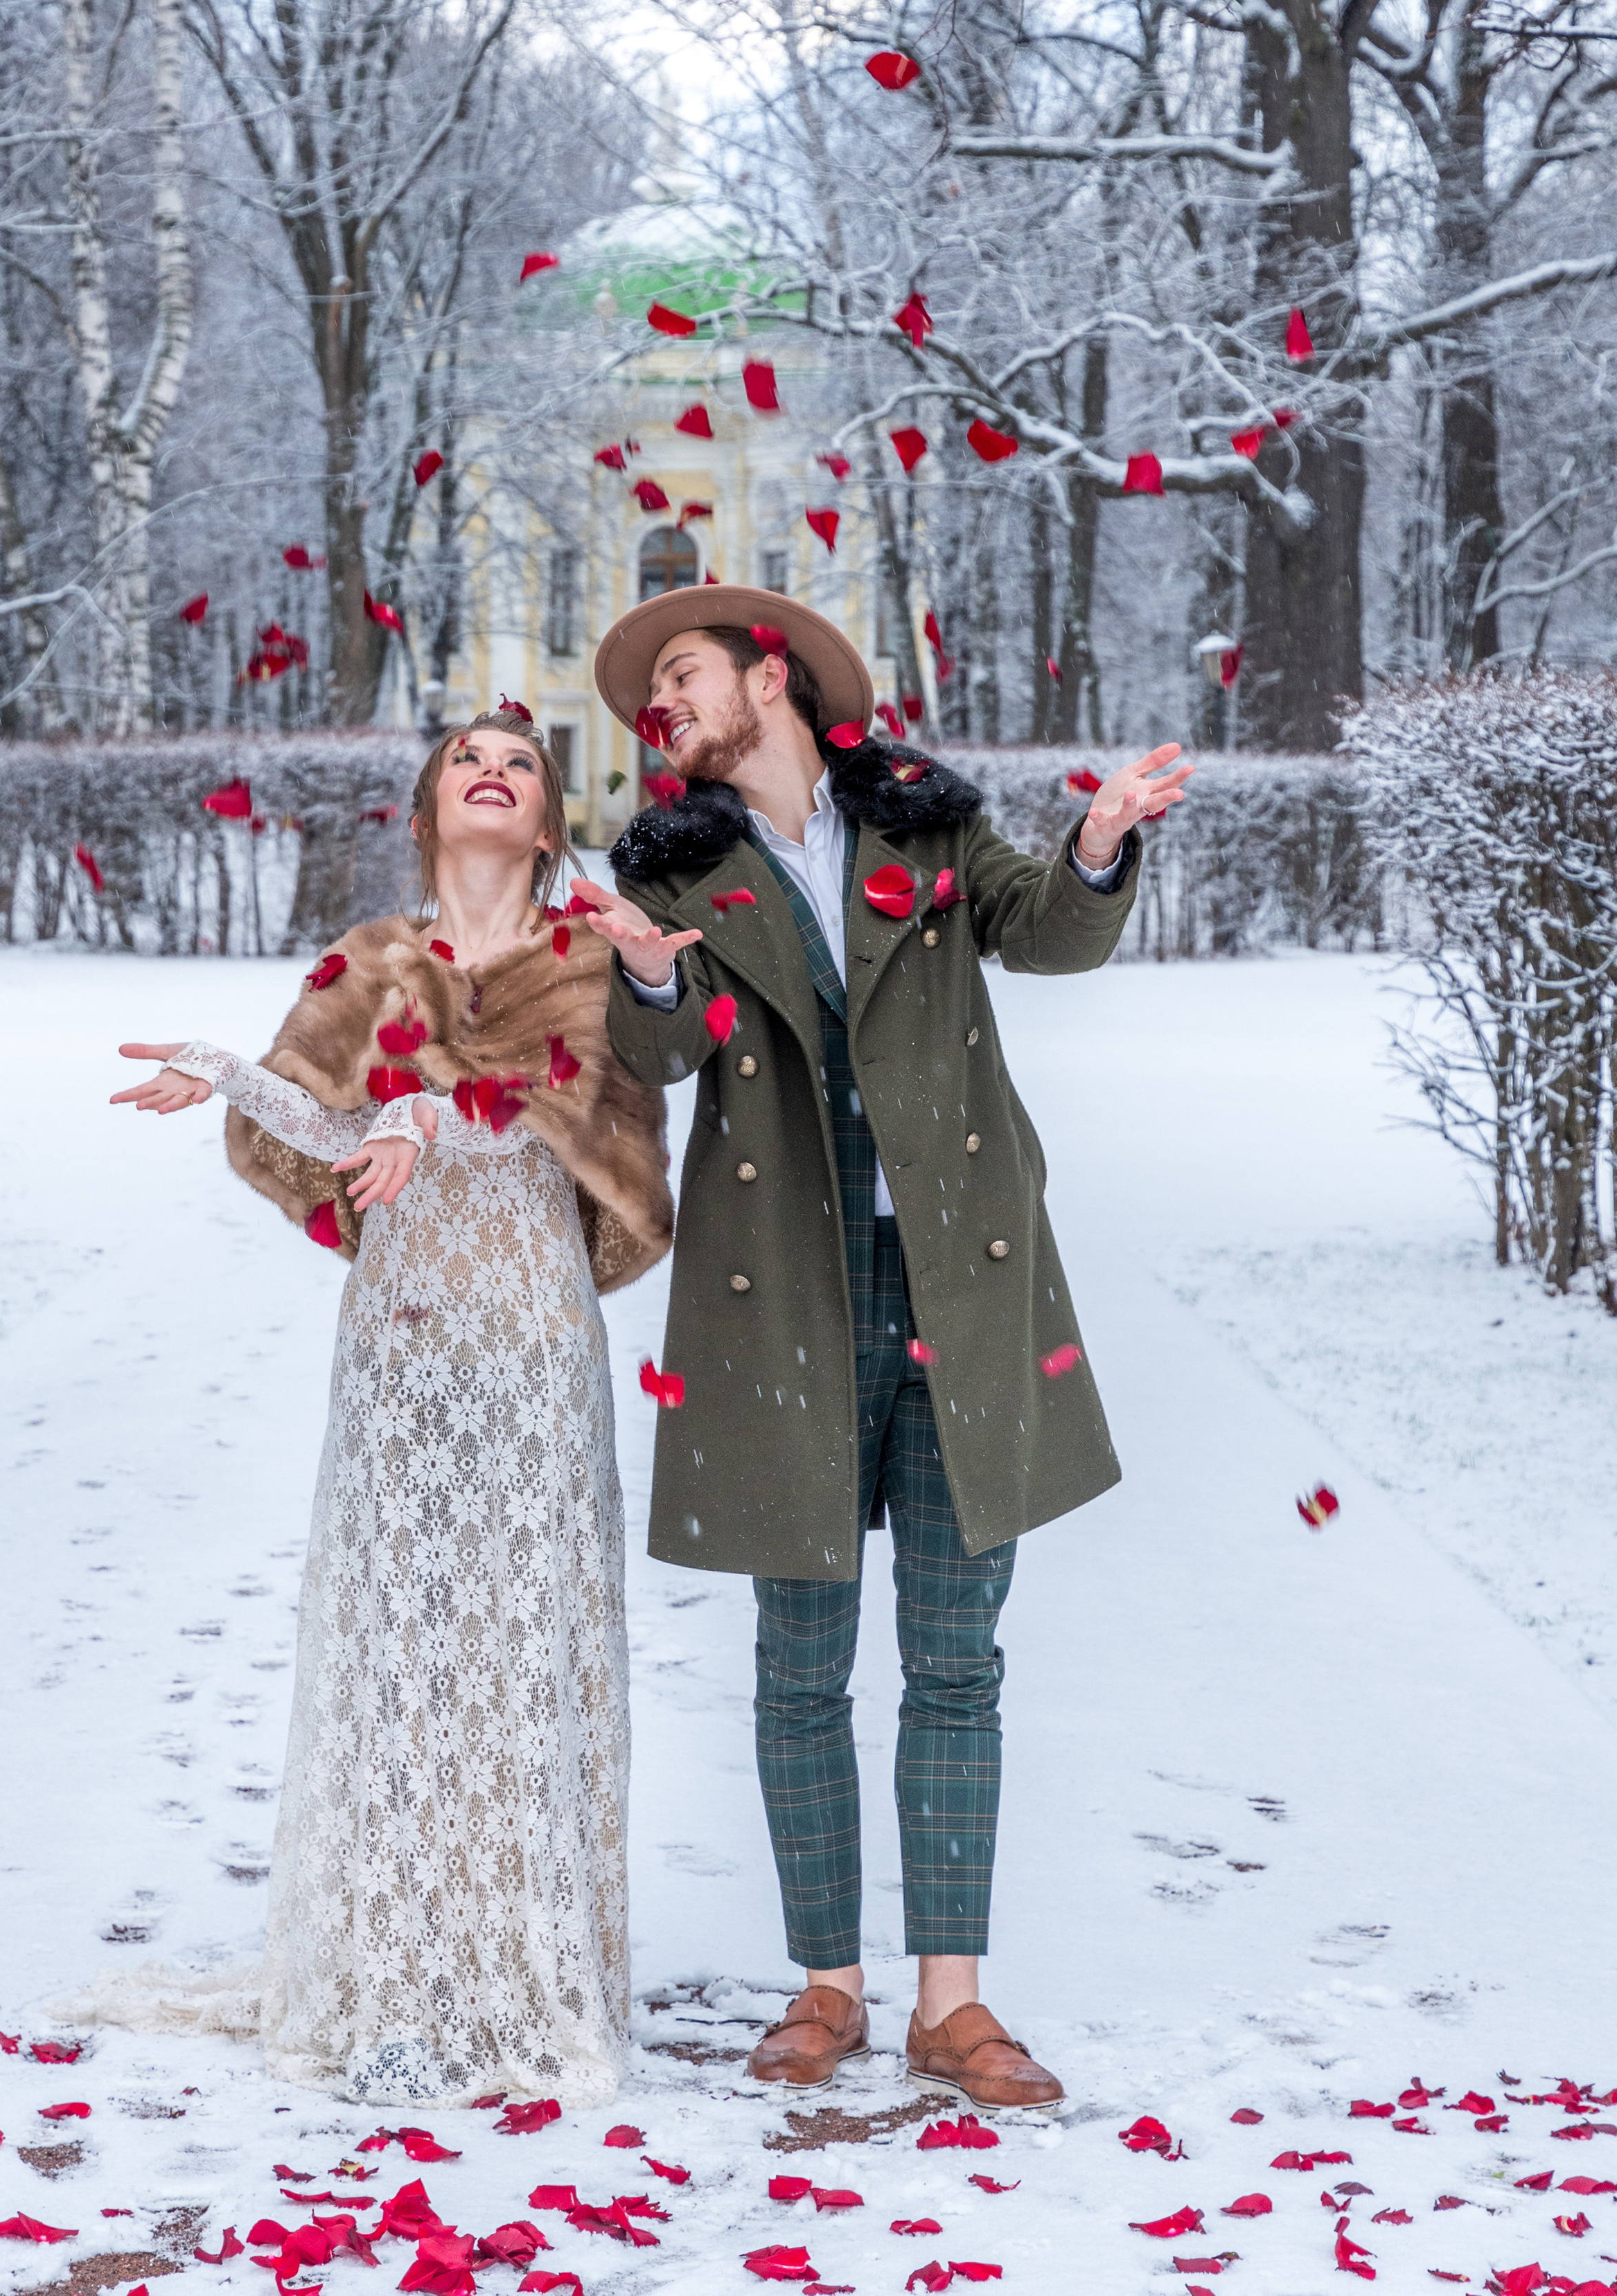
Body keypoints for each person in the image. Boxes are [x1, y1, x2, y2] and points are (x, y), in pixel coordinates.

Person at [585, 587, 1191, 2112]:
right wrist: (651, 971)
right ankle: (825, 1988)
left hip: (959, 1281)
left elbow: (1049, 937)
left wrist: (1100, 841)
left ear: (766, 678)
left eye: (681, 672)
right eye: (648, 690)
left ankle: (951, 2005)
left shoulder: (923, 830)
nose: (659, 703)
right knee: (798, 1663)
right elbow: (658, 1053)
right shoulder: (678, 869)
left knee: (952, 1656)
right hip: (779, 1286)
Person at [82, 710, 672, 2106]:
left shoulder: (589, 960)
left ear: (542, 822)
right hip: (402, 1338)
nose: (493, 766)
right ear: (425, 813)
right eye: (466, 755)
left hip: (532, 1327)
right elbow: (325, 1131)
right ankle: (396, 1979)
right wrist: (233, 1074)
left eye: (521, 763)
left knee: (519, 1647)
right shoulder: (369, 963)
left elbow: (601, 1123)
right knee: (399, 1647)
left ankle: (521, 1973)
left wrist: (440, 1109)